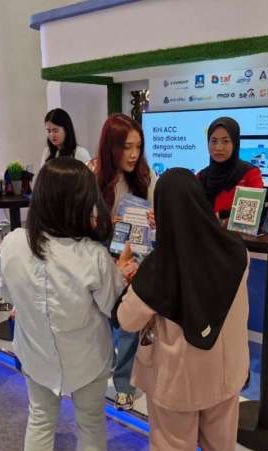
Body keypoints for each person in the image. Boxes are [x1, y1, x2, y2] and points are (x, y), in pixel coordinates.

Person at [0, 157, 136, 451]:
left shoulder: (12, 243)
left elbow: (6, 293)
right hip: (87, 356)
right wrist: (120, 273)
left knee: (40, 421)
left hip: (35, 352)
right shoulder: (92, 255)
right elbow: (112, 306)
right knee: (90, 423)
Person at [115, 168, 250, 451]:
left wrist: (126, 277)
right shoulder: (236, 251)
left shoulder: (159, 267)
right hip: (227, 373)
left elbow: (126, 320)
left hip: (178, 382)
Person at [92, 113, 157, 411]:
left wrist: (155, 221)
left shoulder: (146, 176)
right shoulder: (93, 176)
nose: (133, 154)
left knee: (130, 321)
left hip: (136, 252)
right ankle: (102, 367)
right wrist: (105, 224)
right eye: (126, 147)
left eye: (138, 147)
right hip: (102, 254)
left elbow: (155, 221)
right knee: (102, 316)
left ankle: (124, 383)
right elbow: (82, 224)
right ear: (111, 147)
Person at [197, 117, 264, 216]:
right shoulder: (201, 177)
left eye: (225, 141)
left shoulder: (250, 174)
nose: (218, 148)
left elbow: (250, 215)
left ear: (235, 143)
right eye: (214, 141)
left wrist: (221, 217)